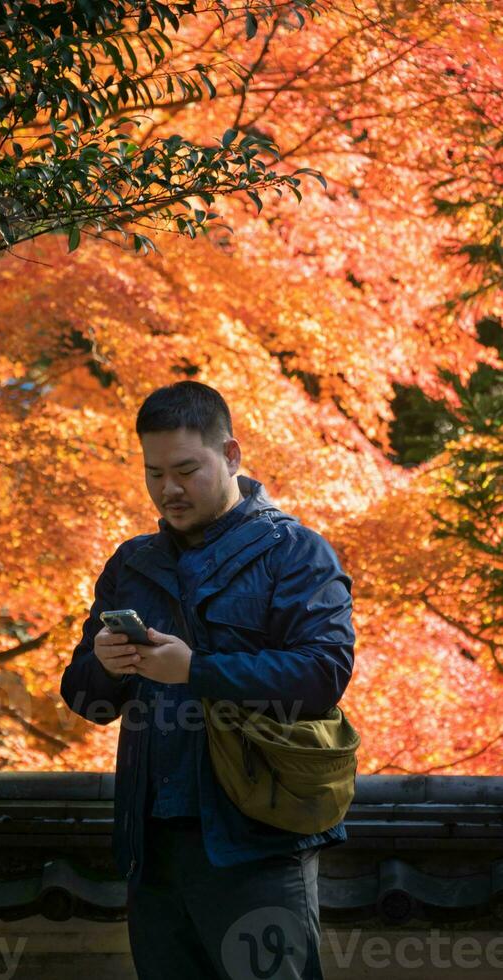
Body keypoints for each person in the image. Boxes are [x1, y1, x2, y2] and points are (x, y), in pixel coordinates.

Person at [60, 381, 356, 980]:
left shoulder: (296, 553)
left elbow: (323, 675)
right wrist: (104, 664)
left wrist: (196, 670)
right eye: (154, 474)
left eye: (186, 470)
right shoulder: (131, 564)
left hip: (257, 843)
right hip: (152, 850)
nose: (168, 489)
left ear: (232, 455)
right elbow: (86, 700)